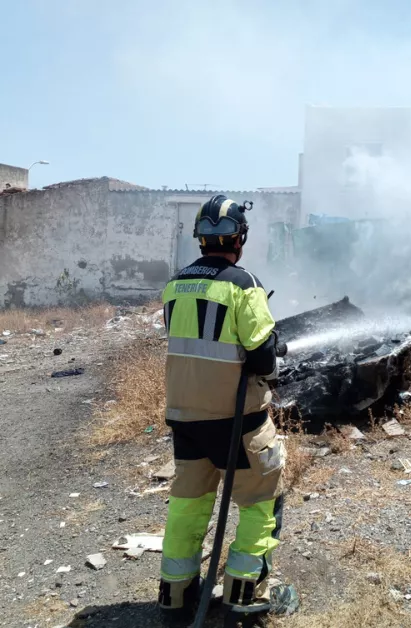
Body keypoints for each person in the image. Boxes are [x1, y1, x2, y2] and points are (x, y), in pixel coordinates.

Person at [158, 195, 290, 625]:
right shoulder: (243, 284)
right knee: (261, 500)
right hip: (238, 423)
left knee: (189, 503)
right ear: (240, 237)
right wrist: (274, 347)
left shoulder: (175, 284)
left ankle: (176, 596)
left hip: (185, 420)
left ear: (201, 239)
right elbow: (263, 359)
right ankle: (243, 593)